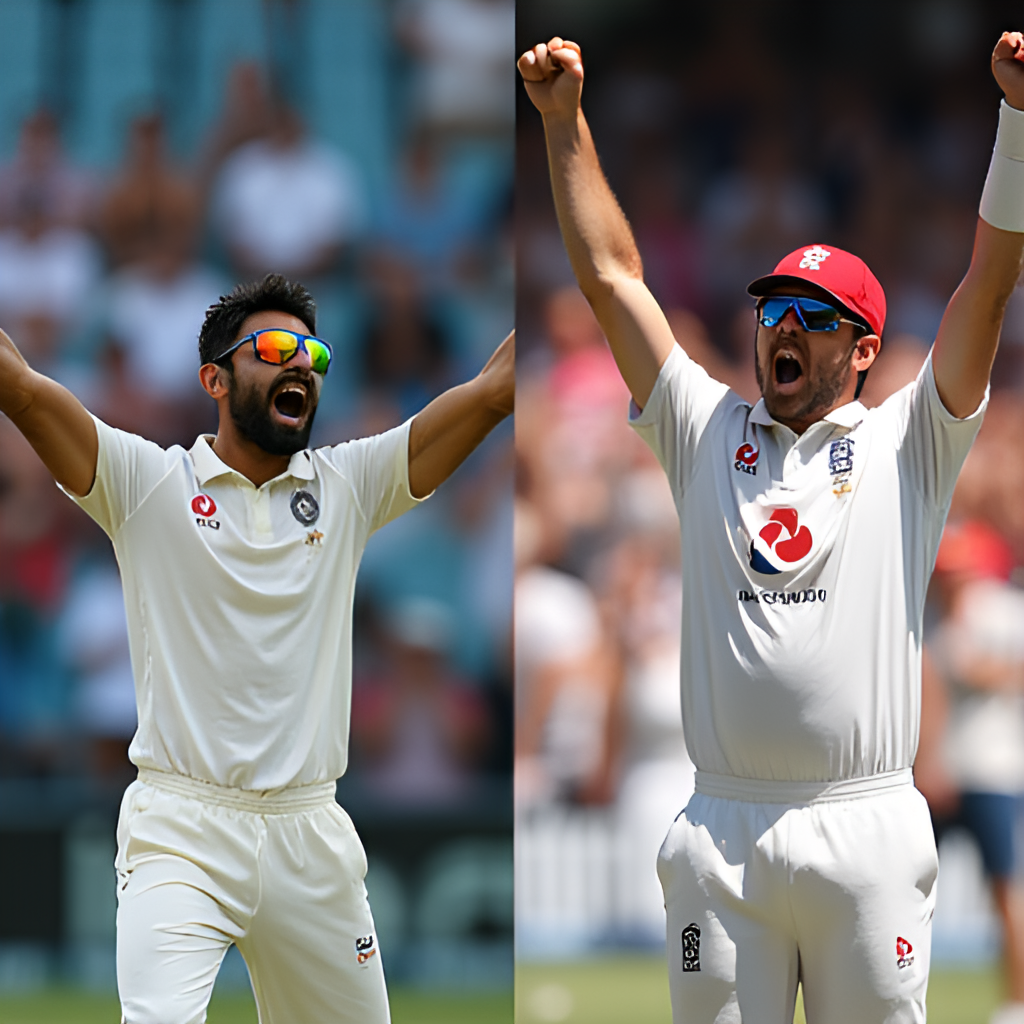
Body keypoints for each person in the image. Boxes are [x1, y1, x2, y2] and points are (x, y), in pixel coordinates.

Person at [519, 30, 1024, 1023]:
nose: (783, 325)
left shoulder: (906, 444)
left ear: (864, 348)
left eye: (814, 313)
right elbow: (615, 281)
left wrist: (1015, 115)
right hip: (722, 828)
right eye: (774, 306)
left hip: (864, 826)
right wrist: (563, 123)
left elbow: (988, 283)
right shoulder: (702, 430)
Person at [0, 272, 513, 1023]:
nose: (299, 362)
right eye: (274, 348)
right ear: (215, 377)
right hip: (181, 830)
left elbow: (496, 390)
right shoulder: (149, 483)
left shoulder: (348, 486)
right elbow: (19, 388)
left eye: (312, 352)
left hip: (311, 835)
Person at [919, 521, 1024, 1024]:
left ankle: (1016, 1004)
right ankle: (899, 990)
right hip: (939, 774)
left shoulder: (1003, 611)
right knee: (909, 886)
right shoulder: (930, 616)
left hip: (993, 769)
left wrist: (979, 667)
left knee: (1005, 888)